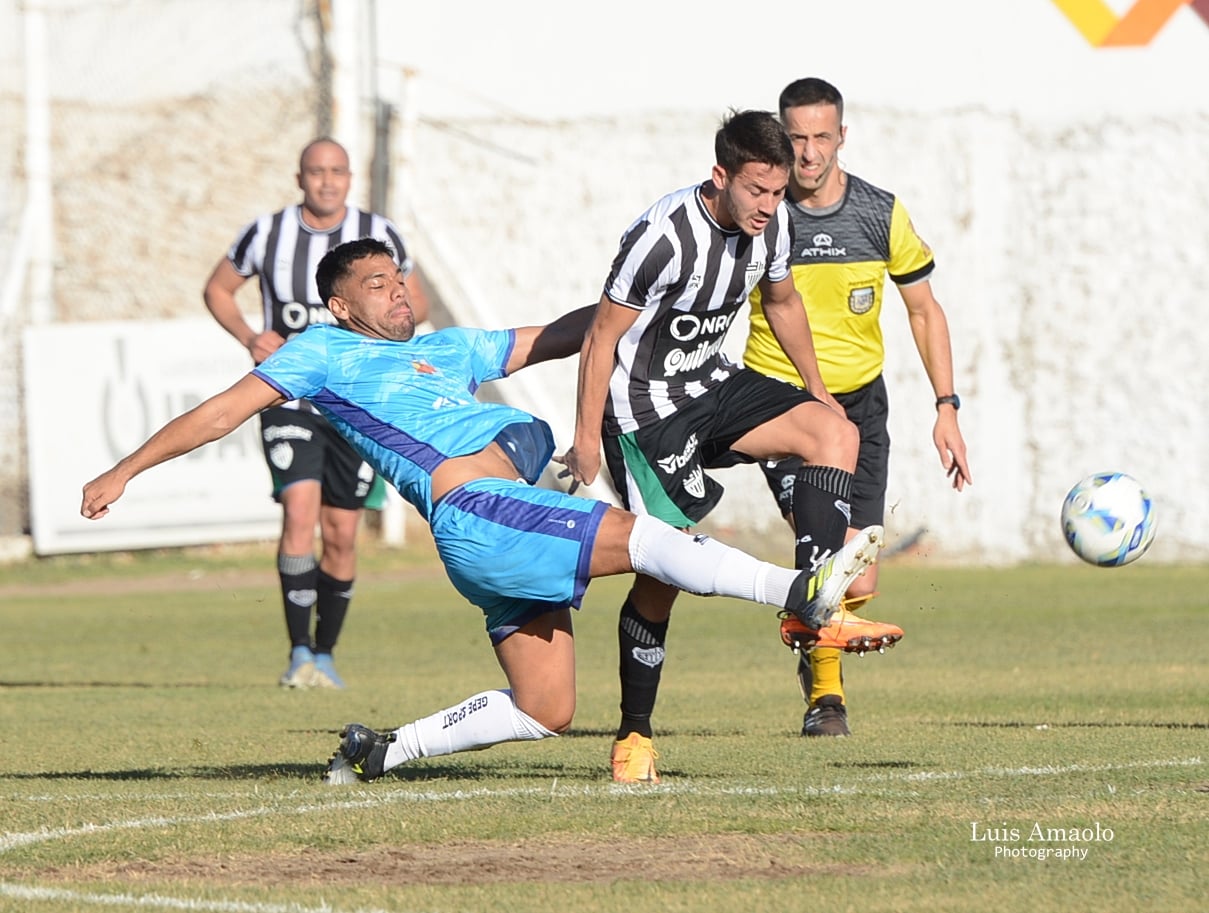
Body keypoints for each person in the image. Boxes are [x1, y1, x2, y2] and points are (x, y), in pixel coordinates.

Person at [81, 237, 886, 785]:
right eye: (376, 285)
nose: (398, 293)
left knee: (547, 707)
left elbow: (566, 334)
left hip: (498, 522)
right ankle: (800, 594)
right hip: (481, 510)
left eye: (399, 280)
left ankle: (383, 751)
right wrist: (126, 469)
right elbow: (223, 411)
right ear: (337, 305)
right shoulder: (321, 354)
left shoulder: (448, 348)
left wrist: (632, 299)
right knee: (648, 539)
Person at [560, 110, 904, 785]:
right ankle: (634, 733)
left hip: (711, 385)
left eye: (777, 193)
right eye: (756, 191)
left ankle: (812, 603)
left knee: (831, 431)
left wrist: (816, 389)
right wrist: (582, 440)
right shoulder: (660, 237)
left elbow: (781, 303)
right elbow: (600, 337)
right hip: (645, 415)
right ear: (720, 176)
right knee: (663, 576)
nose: (769, 206)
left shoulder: (770, 225)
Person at [742, 78, 973, 737]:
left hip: (861, 407)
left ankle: (812, 643)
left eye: (820, 137)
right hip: (780, 405)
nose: (808, 153)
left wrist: (946, 407)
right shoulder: (762, 214)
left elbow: (923, 309)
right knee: (826, 555)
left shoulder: (878, 213)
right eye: (795, 139)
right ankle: (826, 700)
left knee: (859, 576)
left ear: (842, 136)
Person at [202, 137, 430, 690]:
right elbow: (218, 290)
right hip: (291, 398)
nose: (327, 181)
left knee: (343, 533)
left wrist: (392, 333)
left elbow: (417, 301)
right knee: (299, 512)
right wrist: (252, 338)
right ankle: (298, 651)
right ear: (299, 177)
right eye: (316, 171)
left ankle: (326, 653)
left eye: (337, 171)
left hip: (355, 403)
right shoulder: (267, 233)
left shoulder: (380, 233)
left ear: (349, 178)